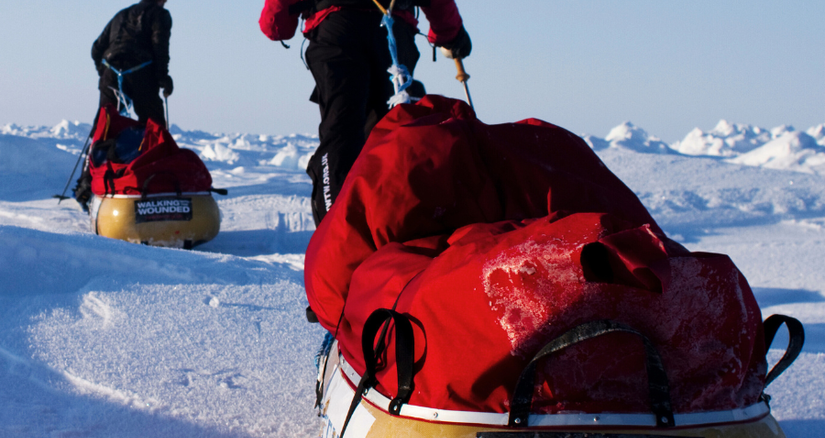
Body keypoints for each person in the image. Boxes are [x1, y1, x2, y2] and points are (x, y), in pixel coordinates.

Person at [259, 0, 472, 225]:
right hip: (393, 29)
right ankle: (397, 223)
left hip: (337, 28)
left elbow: (275, 26)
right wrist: (450, 32)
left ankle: (337, 228)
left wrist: (277, 25)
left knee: (341, 131)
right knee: (393, 133)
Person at [74, 0, 174, 211]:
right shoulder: (159, 15)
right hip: (141, 73)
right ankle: (157, 180)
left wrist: (103, 71)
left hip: (111, 72)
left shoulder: (121, 14)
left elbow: (96, 48)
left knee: (103, 127)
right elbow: (160, 46)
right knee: (154, 126)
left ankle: (86, 185)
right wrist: (163, 78)